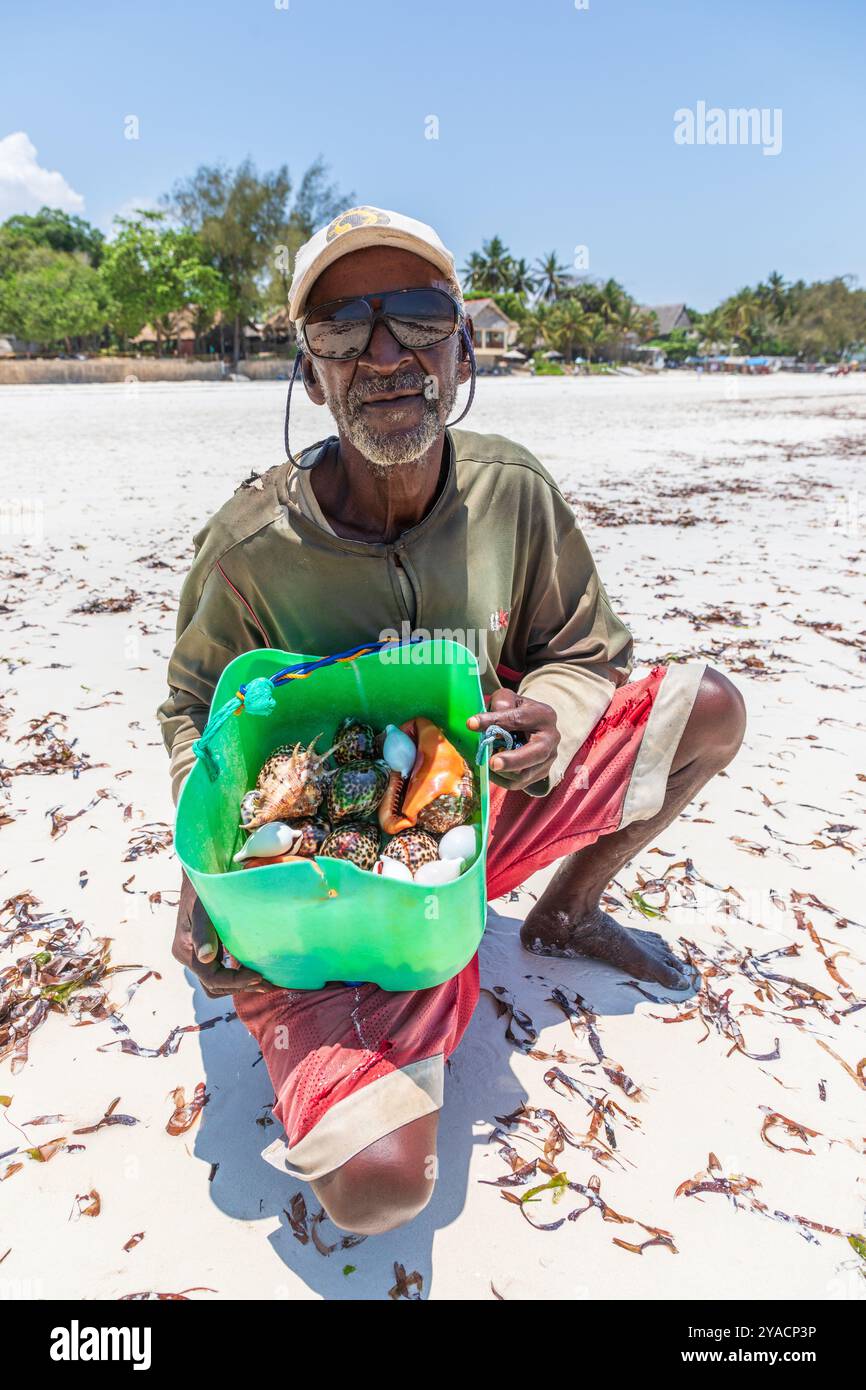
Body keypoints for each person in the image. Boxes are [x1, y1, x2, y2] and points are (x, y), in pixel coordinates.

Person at [158, 205, 746, 1235]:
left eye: (418, 316)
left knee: (707, 708)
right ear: (310, 371)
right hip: (333, 898)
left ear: (461, 343)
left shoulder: (508, 492)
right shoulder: (251, 547)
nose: (384, 356)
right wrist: (203, 876)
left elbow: (584, 648)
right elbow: (192, 713)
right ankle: (396, 1010)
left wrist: (555, 715)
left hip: (491, 806)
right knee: (379, 1183)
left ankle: (560, 914)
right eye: (344, 328)